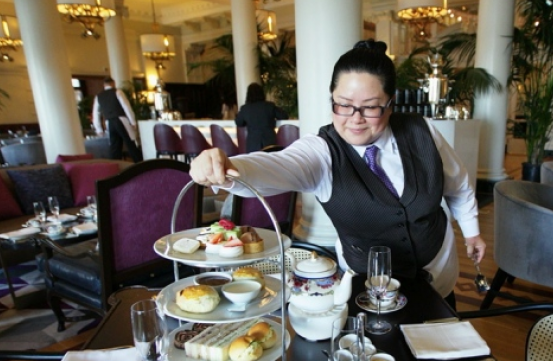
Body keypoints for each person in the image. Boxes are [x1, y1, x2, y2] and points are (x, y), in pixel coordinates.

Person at [190, 40, 486, 303]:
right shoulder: (322, 152)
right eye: (343, 105)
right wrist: (230, 166)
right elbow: (279, 166)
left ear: (390, 104)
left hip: (438, 274)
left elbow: (457, 184)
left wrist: (471, 232)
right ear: (332, 98)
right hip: (368, 286)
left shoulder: (422, 131)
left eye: (371, 108)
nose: (355, 120)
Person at [92, 77, 143, 162]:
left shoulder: (98, 96)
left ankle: (115, 165)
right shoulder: (118, 92)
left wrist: (99, 129)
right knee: (130, 143)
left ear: (104, 85)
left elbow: (95, 113)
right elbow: (126, 107)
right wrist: (133, 121)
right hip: (121, 120)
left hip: (109, 122)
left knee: (115, 146)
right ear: (113, 83)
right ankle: (139, 163)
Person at [235, 83, 289, 151]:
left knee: (253, 161)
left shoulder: (245, 109)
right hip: (269, 141)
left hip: (253, 143)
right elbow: (284, 116)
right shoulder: (269, 106)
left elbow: (239, 122)